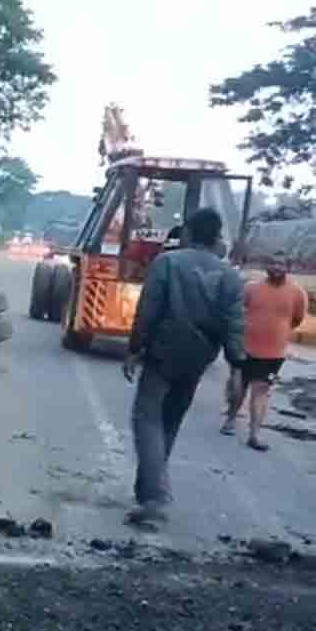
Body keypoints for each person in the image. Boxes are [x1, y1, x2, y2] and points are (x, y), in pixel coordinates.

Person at [122, 208, 245, 526]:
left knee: (146, 419)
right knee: (170, 421)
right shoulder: (229, 275)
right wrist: (236, 366)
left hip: (163, 353)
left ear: (189, 232)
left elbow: (148, 310)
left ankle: (154, 496)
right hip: (198, 358)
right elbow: (234, 324)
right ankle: (148, 488)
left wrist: (135, 348)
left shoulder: (168, 262)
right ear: (217, 236)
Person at [221, 251, 307, 450]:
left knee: (260, 391)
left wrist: (279, 331)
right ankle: (231, 418)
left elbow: (297, 319)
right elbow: (238, 312)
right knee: (238, 388)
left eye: (281, 264)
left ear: (288, 267)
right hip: (245, 347)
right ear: (266, 266)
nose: (277, 267)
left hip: (273, 353)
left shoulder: (297, 293)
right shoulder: (252, 289)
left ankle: (254, 435)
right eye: (273, 263)